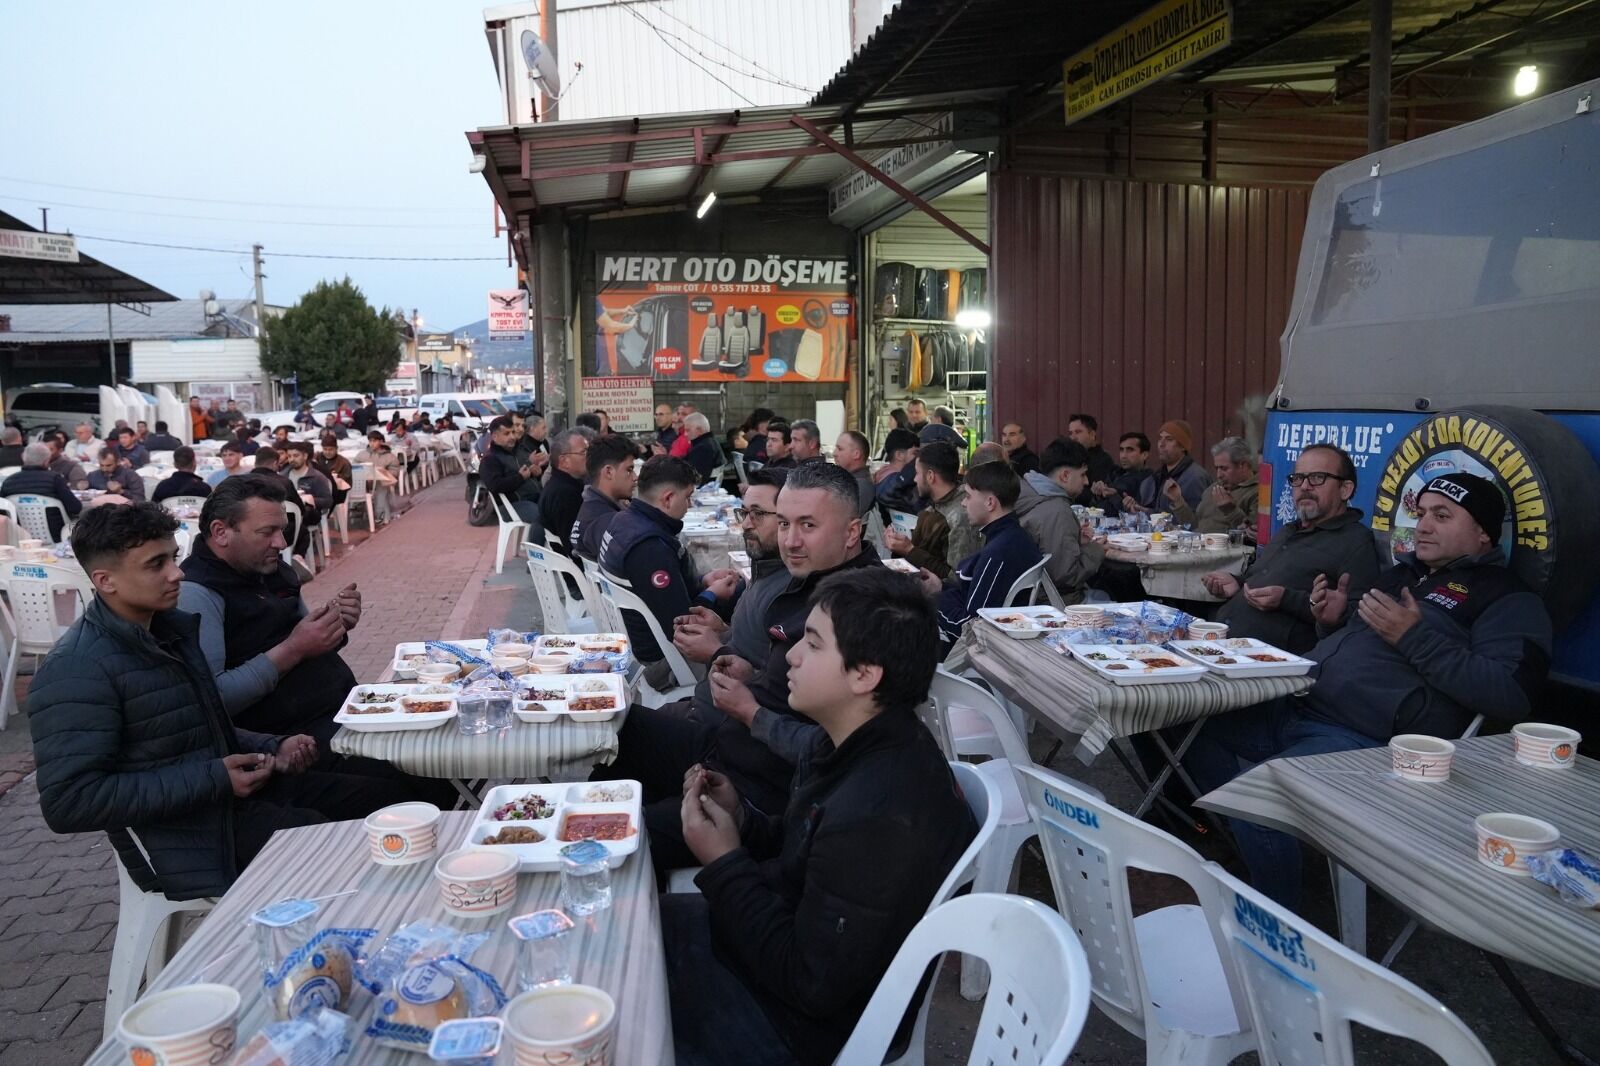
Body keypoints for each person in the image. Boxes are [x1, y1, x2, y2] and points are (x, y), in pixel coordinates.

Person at [1187, 472, 1552, 907]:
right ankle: (1250, 846)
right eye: (1421, 514)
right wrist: (1331, 620)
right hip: (1300, 705)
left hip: (1364, 740)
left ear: (1483, 533)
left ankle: (1276, 919)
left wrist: (1413, 637)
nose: (1423, 526)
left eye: (1442, 516)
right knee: (1188, 721)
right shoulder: (1404, 574)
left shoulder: (1508, 597)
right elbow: (1359, 651)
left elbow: (1511, 695)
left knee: (1255, 798)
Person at [663, 567, 976, 1066]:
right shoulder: (854, 741)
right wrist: (741, 821)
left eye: (812, 643)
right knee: (632, 920)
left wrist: (723, 863)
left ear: (864, 674)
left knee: (622, 1004)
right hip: (781, 955)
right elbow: (804, 849)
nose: (790, 654)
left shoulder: (881, 810)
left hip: (802, 1029)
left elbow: (809, 983)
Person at [29, 503, 413, 901]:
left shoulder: (167, 633)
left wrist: (271, 746)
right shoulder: (76, 669)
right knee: (348, 842)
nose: (176, 573)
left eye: (173, 558)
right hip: (185, 842)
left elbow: (200, 726)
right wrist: (214, 778)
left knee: (398, 798)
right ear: (105, 580)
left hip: (229, 804)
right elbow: (68, 803)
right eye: (155, 564)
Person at [599, 461, 883, 874]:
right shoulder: (803, 582)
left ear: (852, 532)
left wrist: (752, 711)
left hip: (763, 793)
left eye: (807, 525)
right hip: (728, 749)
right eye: (784, 524)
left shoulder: (863, 611)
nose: (790, 541)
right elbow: (786, 684)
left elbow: (839, 751)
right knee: (615, 730)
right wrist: (752, 677)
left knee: (615, 835)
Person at [178, 478, 359, 746]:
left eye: (282, 530)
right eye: (267, 532)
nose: (282, 543)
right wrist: (294, 649)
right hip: (290, 742)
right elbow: (213, 699)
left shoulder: (272, 571)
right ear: (220, 532)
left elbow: (305, 640)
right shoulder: (198, 593)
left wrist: (333, 626)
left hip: (341, 710)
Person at [1203, 444, 1384, 654]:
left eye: (1317, 478)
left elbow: (1358, 617)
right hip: (1222, 645)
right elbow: (1267, 580)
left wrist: (1287, 600)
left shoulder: (1355, 542)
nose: (1305, 486)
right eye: (1298, 479)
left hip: (1271, 665)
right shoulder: (1289, 530)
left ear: (1345, 489)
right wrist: (1238, 584)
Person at [598, 457, 739, 689]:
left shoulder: (622, 521)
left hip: (632, 644)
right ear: (668, 499)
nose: (690, 504)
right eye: (687, 496)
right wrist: (712, 594)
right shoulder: (650, 547)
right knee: (747, 638)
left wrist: (703, 581)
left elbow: (658, 592)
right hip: (660, 660)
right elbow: (682, 624)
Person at [925, 459, 1043, 647]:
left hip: (980, 648)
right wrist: (940, 588)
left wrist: (932, 599)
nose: (963, 503)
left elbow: (969, 627)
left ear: (990, 502)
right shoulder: (1016, 536)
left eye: (968, 496)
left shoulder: (998, 553)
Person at [1010, 438, 1105, 604]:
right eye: (1082, 474)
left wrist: (1076, 540)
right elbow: (1065, 576)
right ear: (1065, 475)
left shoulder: (1028, 493)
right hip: (1055, 606)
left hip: (1028, 599)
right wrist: (1095, 550)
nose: (1086, 481)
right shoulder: (1057, 511)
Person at [882, 441, 977, 580]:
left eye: (917, 473)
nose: (914, 479)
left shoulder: (959, 515)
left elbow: (955, 577)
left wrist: (909, 550)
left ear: (930, 476)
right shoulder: (933, 507)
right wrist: (899, 547)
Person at [1167, 436, 1259, 534]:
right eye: (1217, 468)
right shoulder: (1213, 488)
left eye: (1224, 468)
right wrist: (1178, 501)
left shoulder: (1257, 492)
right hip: (1198, 545)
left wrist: (1231, 510)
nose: (1218, 475)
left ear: (1243, 465)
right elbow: (1194, 526)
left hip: (1228, 548)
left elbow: (1253, 536)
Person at [570, 433, 637, 561]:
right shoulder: (608, 522)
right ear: (608, 472)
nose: (635, 477)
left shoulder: (590, 508)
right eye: (629, 470)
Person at [1124, 420, 1212, 514]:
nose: (1161, 444)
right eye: (1160, 438)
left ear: (1183, 446)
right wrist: (1135, 509)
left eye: (1169, 439)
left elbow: (1195, 522)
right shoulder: (1154, 479)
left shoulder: (1195, 478)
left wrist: (1150, 513)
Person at [1, 443, 82, 539]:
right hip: (57, 535)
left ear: (23, 458)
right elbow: (75, 508)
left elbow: (3, 510)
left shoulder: (8, 482)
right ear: (47, 461)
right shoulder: (54, 479)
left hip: (21, 536)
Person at [478, 414, 545, 530]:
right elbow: (495, 485)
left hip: (534, 496)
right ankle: (536, 547)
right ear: (494, 436)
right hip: (510, 505)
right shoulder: (490, 459)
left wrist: (535, 472)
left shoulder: (519, 451)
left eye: (513, 433)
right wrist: (520, 477)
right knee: (543, 518)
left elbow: (528, 474)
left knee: (561, 505)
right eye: (507, 433)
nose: (512, 437)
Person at [539, 427, 594, 555]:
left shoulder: (559, 485)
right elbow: (574, 545)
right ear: (564, 461)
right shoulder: (565, 494)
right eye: (584, 452)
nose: (590, 456)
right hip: (576, 569)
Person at [1090, 431, 1152, 515]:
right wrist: (1097, 494)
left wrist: (1114, 497)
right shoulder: (1114, 473)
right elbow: (1095, 507)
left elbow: (1139, 513)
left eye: (1130, 450)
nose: (1123, 455)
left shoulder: (1149, 481)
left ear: (1144, 455)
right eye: (1121, 450)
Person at [1066, 414, 1117, 503]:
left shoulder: (1103, 461)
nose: (1073, 437)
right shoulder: (1067, 458)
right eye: (1071, 433)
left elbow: (1096, 495)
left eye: (1078, 432)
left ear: (1092, 434)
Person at [872, 428, 921, 513]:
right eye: (915, 453)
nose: (919, 458)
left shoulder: (882, 474)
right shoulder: (892, 482)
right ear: (899, 455)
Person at [283, 442, 333, 523]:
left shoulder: (317, 477)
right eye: (289, 456)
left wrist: (310, 500)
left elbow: (328, 501)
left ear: (305, 456)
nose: (292, 459)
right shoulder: (283, 475)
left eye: (296, 456)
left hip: (308, 514)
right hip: (286, 511)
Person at [833, 431, 875, 515]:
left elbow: (840, 522)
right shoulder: (850, 482)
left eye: (840, 449)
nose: (834, 453)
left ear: (856, 454)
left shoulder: (860, 487)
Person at [312, 434, 353, 514]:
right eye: (325, 449)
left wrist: (337, 477)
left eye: (331, 449)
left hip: (338, 493)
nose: (327, 452)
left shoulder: (344, 462)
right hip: (318, 490)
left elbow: (348, 482)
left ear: (336, 449)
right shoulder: (317, 458)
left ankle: (323, 516)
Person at [682, 412, 723, 484]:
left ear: (700, 430)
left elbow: (696, 478)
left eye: (688, 430)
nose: (685, 434)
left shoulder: (703, 448)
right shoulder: (710, 442)